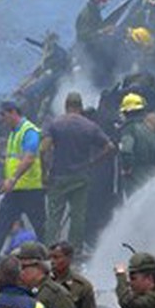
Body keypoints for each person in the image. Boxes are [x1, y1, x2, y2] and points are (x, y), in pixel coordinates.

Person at [42, 92, 116, 252]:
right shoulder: (90, 126)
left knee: (54, 216)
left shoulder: (54, 124)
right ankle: (74, 251)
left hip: (58, 177)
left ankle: (50, 250)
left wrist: (45, 171)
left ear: (66, 105)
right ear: (81, 107)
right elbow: (110, 147)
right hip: (80, 177)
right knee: (78, 216)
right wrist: (93, 162)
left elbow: (43, 149)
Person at [0, 102, 46, 256]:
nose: (2, 120)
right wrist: (7, 181)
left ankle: (48, 256)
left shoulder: (29, 131)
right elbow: (13, 160)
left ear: (13, 113)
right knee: (1, 224)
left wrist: (12, 179)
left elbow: (29, 158)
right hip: (15, 190)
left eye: (3, 115)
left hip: (30, 190)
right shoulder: (14, 133)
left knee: (41, 226)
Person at [117, 93, 155, 198]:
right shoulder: (151, 127)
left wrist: (127, 168)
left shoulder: (128, 129)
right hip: (152, 175)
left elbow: (126, 150)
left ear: (126, 112)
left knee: (135, 206)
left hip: (135, 177)